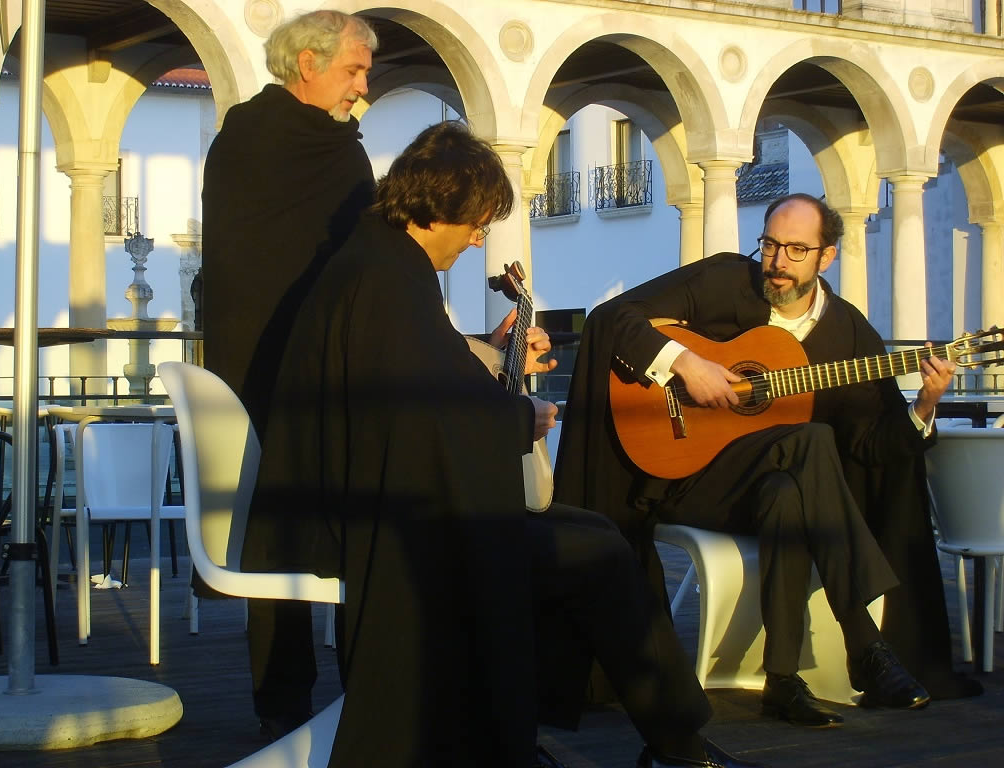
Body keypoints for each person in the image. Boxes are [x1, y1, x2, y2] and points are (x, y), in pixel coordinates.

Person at [252, 120, 764, 768]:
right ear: (441, 205)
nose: (476, 240)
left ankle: (651, 739)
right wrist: (518, 418)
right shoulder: (385, 275)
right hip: (383, 521)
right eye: (475, 223)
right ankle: (664, 744)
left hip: (386, 501)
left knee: (599, 541)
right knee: (597, 553)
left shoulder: (380, 264)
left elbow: (422, 386)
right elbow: (421, 414)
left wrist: (495, 365)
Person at [555, 193, 977, 730]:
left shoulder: (846, 333)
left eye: (795, 250)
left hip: (761, 493)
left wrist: (925, 402)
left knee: (792, 479)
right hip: (682, 479)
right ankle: (865, 644)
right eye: (771, 244)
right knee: (811, 442)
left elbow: (875, 447)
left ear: (827, 257)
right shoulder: (727, 281)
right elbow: (614, 318)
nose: (776, 262)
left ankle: (783, 680)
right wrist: (686, 363)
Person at [200, 9, 377, 740]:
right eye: (354, 70)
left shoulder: (301, 145)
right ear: (308, 63)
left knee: (331, 511)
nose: (363, 87)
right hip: (284, 369)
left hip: (301, 368)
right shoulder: (274, 144)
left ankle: (324, 695)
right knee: (342, 510)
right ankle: (321, 696)